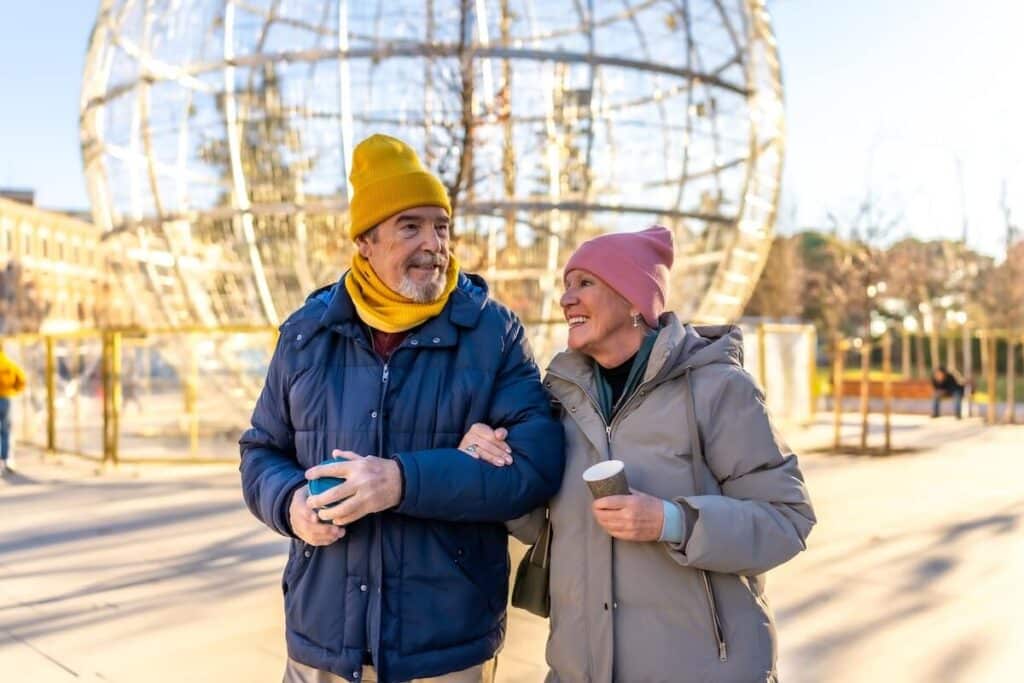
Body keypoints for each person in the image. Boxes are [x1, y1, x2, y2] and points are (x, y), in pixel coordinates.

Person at [239, 133, 565, 683]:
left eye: (441, 226)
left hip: (446, 644)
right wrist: (289, 503)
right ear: (365, 241)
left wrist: (401, 481)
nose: (433, 244)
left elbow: (534, 465)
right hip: (322, 639)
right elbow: (261, 451)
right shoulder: (306, 334)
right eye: (410, 227)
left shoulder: (492, 333)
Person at [461, 226, 816, 682]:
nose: (566, 298)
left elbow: (787, 519)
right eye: (566, 285)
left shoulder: (718, 390)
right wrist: (494, 463)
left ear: (634, 301)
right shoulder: (559, 399)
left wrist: (671, 521)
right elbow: (540, 528)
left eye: (585, 283)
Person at [0, 342, 27, 475]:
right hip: (6, 398)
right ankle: (7, 460)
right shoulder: (9, 364)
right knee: (6, 430)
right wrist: (14, 390)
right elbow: (22, 380)